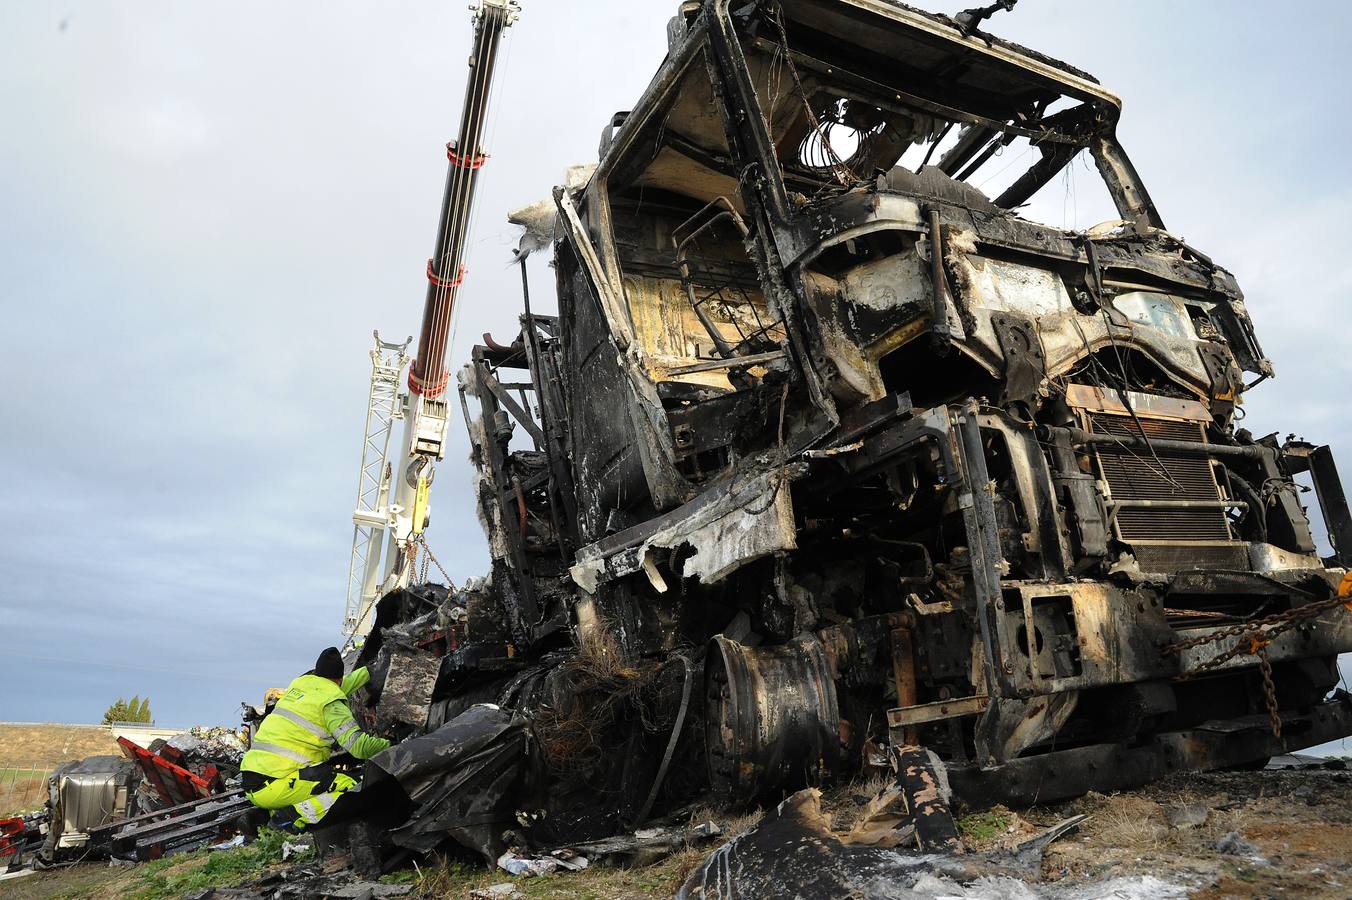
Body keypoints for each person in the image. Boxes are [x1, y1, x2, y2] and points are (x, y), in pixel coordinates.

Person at [240, 647, 391, 828]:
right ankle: (291, 817)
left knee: (316, 780)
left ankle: (261, 817)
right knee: (352, 785)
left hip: (254, 779)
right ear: (339, 678)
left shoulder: (302, 685)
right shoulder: (331, 702)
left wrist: (369, 672)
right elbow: (359, 747)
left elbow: (342, 685)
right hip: (275, 783)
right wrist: (390, 745)